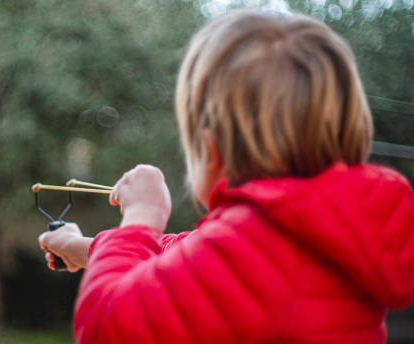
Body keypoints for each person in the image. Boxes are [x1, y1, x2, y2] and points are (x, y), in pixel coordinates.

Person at [38, 10, 414, 343]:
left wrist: (139, 219)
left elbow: (104, 327)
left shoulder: (255, 250)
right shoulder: (330, 232)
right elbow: (190, 254)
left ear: (211, 150)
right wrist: (86, 247)